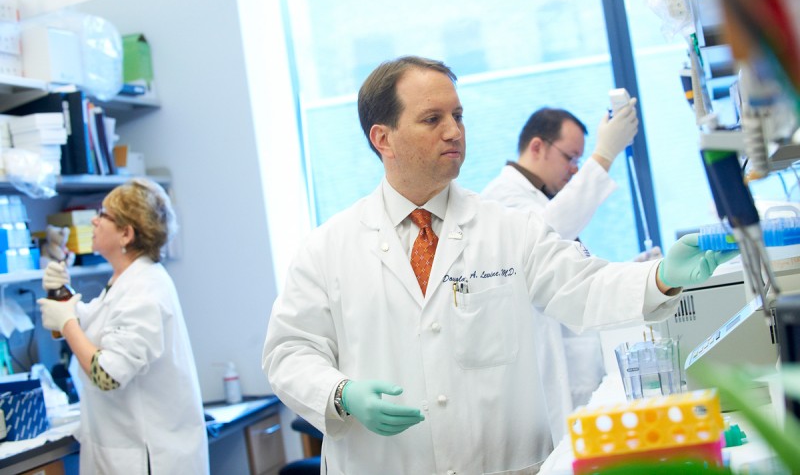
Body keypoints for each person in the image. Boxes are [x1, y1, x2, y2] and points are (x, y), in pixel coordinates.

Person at [262, 56, 735, 474]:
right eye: (432, 118)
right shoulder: (329, 248)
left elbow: (584, 287)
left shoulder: (509, 228)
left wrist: (662, 277)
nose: (454, 130)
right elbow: (289, 352)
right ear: (382, 138)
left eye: (458, 115)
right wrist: (343, 394)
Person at [481, 106, 657, 439]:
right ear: (537, 147)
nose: (575, 170)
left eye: (579, 160)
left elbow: (568, 269)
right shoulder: (502, 199)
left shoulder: (538, 198)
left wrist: (633, 272)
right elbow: (548, 232)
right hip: (550, 373)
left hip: (576, 359)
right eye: (570, 157)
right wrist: (603, 156)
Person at [38, 178, 209, 475]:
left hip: (149, 459)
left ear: (126, 234)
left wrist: (66, 322)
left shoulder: (145, 291)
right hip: (126, 453)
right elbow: (99, 325)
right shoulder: (127, 283)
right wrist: (63, 295)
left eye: (103, 214)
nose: (94, 219)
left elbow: (107, 375)